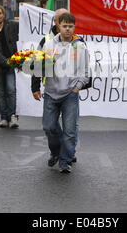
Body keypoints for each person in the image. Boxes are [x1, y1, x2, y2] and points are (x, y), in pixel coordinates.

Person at [35, 12, 90, 174]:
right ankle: (56, 151)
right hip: (51, 93)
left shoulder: (80, 46)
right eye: (64, 26)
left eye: (70, 26)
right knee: (49, 127)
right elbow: (40, 66)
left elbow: (86, 71)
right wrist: (36, 85)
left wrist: (77, 87)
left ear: (74, 27)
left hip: (70, 94)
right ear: (58, 26)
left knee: (70, 130)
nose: (67, 29)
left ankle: (65, 160)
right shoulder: (49, 45)